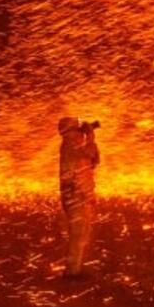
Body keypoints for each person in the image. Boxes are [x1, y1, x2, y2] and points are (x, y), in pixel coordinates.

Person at [58, 116, 100, 278]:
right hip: (75, 195)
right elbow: (90, 152)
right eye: (78, 129)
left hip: (81, 194)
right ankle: (71, 272)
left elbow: (94, 159)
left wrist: (89, 136)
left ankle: (75, 269)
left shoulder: (75, 144)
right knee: (77, 233)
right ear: (71, 131)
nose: (81, 133)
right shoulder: (70, 143)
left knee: (82, 232)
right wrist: (90, 135)